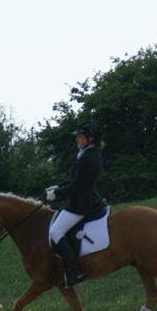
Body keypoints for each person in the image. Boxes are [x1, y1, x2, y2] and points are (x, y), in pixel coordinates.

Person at [45, 121, 106, 287]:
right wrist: (58, 187)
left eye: (80, 137)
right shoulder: (88, 154)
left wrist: (57, 194)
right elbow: (77, 180)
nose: (77, 139)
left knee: (55, 232)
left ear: (90, 138)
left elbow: (79, 185)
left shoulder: (88, 157)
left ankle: (75, 270)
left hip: (82, 203)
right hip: (83, 199)